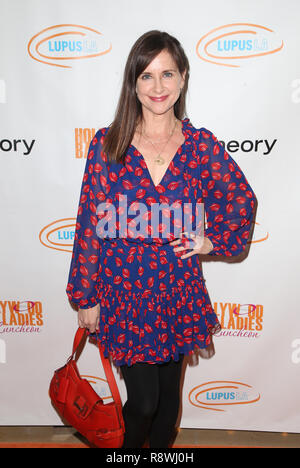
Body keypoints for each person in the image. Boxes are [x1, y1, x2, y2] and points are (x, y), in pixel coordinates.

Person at [66, 30, 256, 448]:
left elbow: (242, 199)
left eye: (167, 74)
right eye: (147, 75)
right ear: (133, 82)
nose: (158, 87)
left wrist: (212, 242)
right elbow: (88, 223)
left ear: (183, 78)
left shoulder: (200, 146)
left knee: (169, 404)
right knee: (145, 402)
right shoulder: (108, 143)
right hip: (124, 291)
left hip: (177, 288)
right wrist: (85, 295)